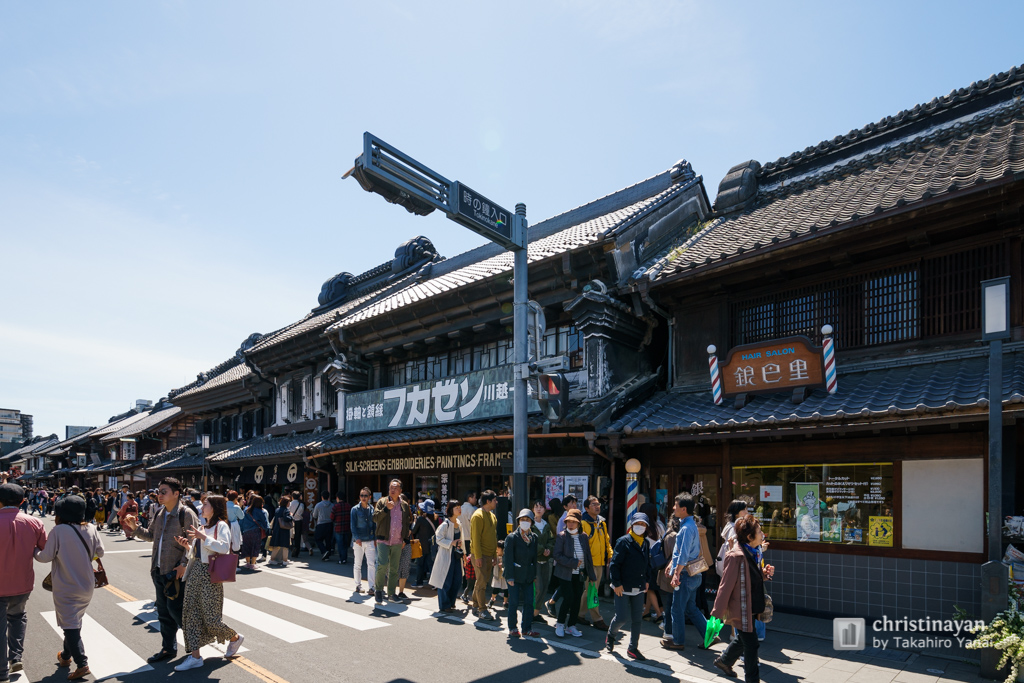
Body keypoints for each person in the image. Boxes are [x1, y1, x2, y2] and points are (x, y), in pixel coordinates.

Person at [122, 476, 200, 664]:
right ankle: (168, 648)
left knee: (178, 611)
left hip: (176, 572)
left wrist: (183, 564)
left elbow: (195, 543)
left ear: (176, 493)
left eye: (164, 491)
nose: (159, 495)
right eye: (158, 491)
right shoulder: (159, 513)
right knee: (164, 613)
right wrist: (135, 527)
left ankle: (195, 652)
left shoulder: (186, 514)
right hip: (158, 570)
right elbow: (150, 536)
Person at [34, 494, 104, 681]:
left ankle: (82, 663)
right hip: (87, 583)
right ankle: (65, 656)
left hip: (66, 584)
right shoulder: (90, 527)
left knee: (70, 624)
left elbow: (44, 557)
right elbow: (100, 552)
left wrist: (33, 549)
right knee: (73, 621)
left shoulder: (59, 530)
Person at [172, 494, 243, 672]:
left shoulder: (221, 525)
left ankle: (234, 637)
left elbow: (224, 547)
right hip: (195, 571)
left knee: (211, 619)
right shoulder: (203, 527)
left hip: (210, 574)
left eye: (205, 504)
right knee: (190, 614)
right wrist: (188, 546)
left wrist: (203, 537)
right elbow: (198, 554)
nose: (202, 507)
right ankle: (195, 657)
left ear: (215, 507)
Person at [711, 515, 774, 682]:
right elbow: (725, 586)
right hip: (742, 607)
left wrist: (764, 574)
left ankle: (724, 661)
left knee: (744, 637)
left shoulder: (753, 552)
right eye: (759, 532)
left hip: (753, 604)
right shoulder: (736, 556)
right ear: (749, 537)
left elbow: (751, 576)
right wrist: (716, 614)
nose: (762, 535)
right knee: (752, 645)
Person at [1, 483, 46, 681]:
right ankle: (15, 657)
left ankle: (1, 672)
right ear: (22, 501)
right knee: (18, 617)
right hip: (22, 583)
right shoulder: (34, 522)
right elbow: (45, 549)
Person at [663, 492, 709, 652]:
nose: (673, 508)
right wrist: (672, 564)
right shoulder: (689, 524)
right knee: (691, 608)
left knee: (677, 609)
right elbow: (679, 551)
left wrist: (676, 572)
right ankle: (710, 635)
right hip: (692, 574)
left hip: (686, 575)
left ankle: (678, 641)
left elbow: (683, 553)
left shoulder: (687, 528)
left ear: (683, 509)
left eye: (676, 506)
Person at [606, 512, 651, 660]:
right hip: (622, 587)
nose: (640, 526)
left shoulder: (645, 543)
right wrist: (616, 583)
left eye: (643, 524)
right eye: (638, 524)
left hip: (639, 586)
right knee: (621, 618)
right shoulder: (623, 541)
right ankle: (611, 635)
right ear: (632, 525)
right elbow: (614, 564)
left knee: (637, 619)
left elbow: (647, 565)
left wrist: (647, 580)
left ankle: (633, 648)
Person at [552, 509, 595, 638]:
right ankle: (560, 624)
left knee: (577, 599)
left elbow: (588, 556)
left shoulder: (583, 536)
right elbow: (557, 555)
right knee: (569, 597)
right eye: (568, 521)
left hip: (580, 573)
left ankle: (571, 626)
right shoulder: (562, 536)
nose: (570, 524)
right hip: (565, 573)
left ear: (578, 523)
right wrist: (573, 562)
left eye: (573, 522)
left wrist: (592, 575)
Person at [372, 479, 412, 604]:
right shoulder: (382, 502)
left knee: (394, 568)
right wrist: (386, 509)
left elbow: (406, 522)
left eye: (395, 487)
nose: (392, 490)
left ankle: (391, 593)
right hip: (383, 539)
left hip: (397, 541)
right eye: (391, 487)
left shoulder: (404, 505)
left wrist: (405, 539)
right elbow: (375, 518)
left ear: (400, 490)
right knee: (382, 565)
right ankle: (378, 590)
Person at [504, 509, 539, 638]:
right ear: (518, 521)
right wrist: (509, 576)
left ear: (531, 522)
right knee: (513, 602)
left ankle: (526, 628)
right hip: (515, 574)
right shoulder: (512, 537)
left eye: (527, 520)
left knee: (529, 602)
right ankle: (512, 627)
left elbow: (534, 558)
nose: (525, 522)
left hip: (528, 575)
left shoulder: (534, 538)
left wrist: (534, 575)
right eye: (522, 520)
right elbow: (507, 558)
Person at [579, 495, 613, 630]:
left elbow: (607, 541)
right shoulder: (584, 524)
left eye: (598, 504)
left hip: (600, 562)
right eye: (593, 504)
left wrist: (609, 554)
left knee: (590, 590)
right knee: (592, 590)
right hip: (589, 563)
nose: (597, 506)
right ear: (586, 508)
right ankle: (597, 619)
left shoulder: (601, 522)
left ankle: (579, 615)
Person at [429, 500, 464, 613]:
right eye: (456, 508)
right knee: (445, 580)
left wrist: (464, 553)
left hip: (456, 556)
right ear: (450, 510)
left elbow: (462, 540)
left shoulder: (459, 523)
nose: (459, 509)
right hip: (446, 555)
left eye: (459, 507)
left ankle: (451, 602)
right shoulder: (445, 524)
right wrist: (451, 543)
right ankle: (444, 605)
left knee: (457, 580)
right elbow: (438, 539)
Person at [469, 490, 499, 620]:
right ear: (488, 501)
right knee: (482, 582)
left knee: (482, 581)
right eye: (494, 500)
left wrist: (494, 555)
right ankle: (482, 609)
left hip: (489, 554)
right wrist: (478, 557)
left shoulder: (492, 516)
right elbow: (475, 538)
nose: (496, 502)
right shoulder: (477, 515)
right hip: (479, 554)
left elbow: (493, 537)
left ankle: (475, 605)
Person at [531, 500, 555, 624]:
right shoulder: (530, 524)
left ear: (544, 510)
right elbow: (530, 541)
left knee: (545, 587)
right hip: (535, 561)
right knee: (538, 588)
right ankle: (531, 612)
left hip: (546, 560)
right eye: (536, 507)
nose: (539, 509)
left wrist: (549, 549)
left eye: (541, 507)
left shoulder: (546, 524)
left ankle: (536, 613)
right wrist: (542, 550)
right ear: (533, 509)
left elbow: (551, 539)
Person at [657, 515, 680, 642]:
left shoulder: (668, 534)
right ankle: (668, 631)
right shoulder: (674, 536)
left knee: (669, 604)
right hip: (669, 574)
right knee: (669, 605)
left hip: (665, 574)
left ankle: (667, 628)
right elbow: (674, 556)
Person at [350, 488, 375, 592]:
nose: (363, 498)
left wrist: (375, 538)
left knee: (371, 564)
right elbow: (352, 525)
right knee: (358, 563)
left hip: (370, 539)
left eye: (365, 495)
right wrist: (357, 538)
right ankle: (358, 585)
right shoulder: (355, 509)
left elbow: (374, 525)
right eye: (361, 495)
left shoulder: (372, 509)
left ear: (369, 497)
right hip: (359, 540)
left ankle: (372, 587)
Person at [239, 495, 270, 571]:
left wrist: (242, 530)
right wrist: (266, 529)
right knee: (255, 547)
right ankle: (253, 564)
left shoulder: (246, 510)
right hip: (256, 531)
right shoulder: (261, 511)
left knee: (247, 546)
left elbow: (241, 521)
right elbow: (265, 523)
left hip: (246, 531)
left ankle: (247, 563)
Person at [411, 500, 437, 587]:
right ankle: (435, 583)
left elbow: (413, 531)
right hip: (432, 545)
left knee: (420, 564)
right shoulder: (436, 518)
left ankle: (419, 582)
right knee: (431, 564)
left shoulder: (421, 519)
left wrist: (414, 522)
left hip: (421, 545)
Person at [268, 496, 294, 568]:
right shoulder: (286, 510)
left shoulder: (277, 509)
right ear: (286, 503)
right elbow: (287, 518)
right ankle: (285, 560)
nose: (289, 504)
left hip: (277, 529)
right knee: (285, 546)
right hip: (284, 530)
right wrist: (291, 516)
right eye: (289, 502)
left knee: (276, 545)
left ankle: (272, 559)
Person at [312, 490, 334, 561]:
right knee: (328, 540)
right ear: (328, 497)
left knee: (317, 539)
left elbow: (314, 515)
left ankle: (324, 551)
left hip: (321, 524)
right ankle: (327, 555)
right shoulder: (332, 505)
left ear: (322, 497)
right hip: (330, 523)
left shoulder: (318, 505)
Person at [331, 494, 351, 564]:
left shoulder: (335, 507)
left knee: (340, 544)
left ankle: (341, 559)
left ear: (337, 498)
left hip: (338, 528)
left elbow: (331, 517)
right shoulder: (348, 506)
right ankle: (345, 558)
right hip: (347, 527)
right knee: (345, 544)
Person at [288, 491, 307, 559]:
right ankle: (297, 551)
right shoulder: (301, 504)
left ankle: (291, 548)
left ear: (292, 497)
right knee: (297, 536)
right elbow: (302, 512)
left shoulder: (289, 504)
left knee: (290, 536)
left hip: (291, 521)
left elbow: (288, 512)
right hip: (299, 521)